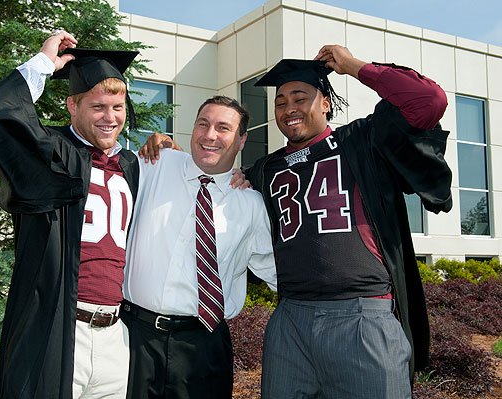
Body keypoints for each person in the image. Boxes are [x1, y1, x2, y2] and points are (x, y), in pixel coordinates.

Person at [243, 45, 453, 398]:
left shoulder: (362, 141)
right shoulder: (265, 170)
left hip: (362, 319)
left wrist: (354, 67)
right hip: (290, 322)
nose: (289, 108)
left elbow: (428, 101)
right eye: (280, 102)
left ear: (326, 103)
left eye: (300, 98)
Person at [0, 31, 146, 398]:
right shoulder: (51, 153)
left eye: (118, 107)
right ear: (72, 107)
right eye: (97, 107)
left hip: (116, 337)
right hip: (58, 329)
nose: (110, 118)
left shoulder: (130, 165)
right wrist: (44, 63)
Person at [121, 96, 277, 399]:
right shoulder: (155, 163)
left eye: (223, 128)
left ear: (242, 139)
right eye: (202, 124)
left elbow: (280, 274)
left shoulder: (251, 204)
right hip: (134, 338)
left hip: (204, 348)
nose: (210, 135)